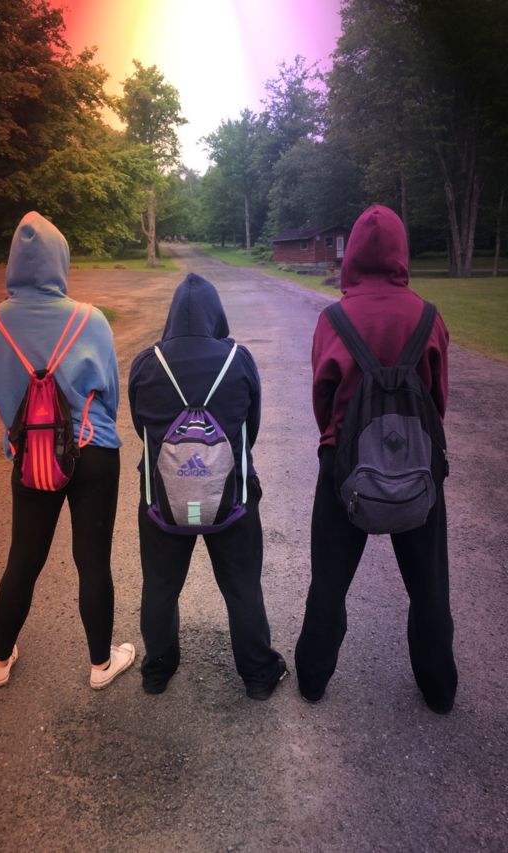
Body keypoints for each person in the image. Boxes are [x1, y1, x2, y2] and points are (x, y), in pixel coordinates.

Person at [295, 204, 458, 714]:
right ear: (401, 253)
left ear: (353, 258)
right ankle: (439, 690)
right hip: (418, 463)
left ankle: (313, 680)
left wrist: (338, 439)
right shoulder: (429, 317)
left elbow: (322, 399)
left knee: (329, 582)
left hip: (344, 464)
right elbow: (438, 401)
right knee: (429, 585)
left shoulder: (333, 320)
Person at [0, 211, 135, 689]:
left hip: (32, 456)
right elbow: (110, 392)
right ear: (59, 260)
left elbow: (0, 395)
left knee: (23, 559)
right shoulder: (90, 319)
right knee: (93, 560)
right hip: (92, 450)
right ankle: (100, 665)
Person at [128, 273, 287, 699]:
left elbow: (141, 427)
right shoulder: (238, 359)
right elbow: (251, 429)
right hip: (232, 496)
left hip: (162, 498)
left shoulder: (147, 363)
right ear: (216, 314)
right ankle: (258, 676)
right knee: (242, 589)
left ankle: (157, 672)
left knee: (160, 588)